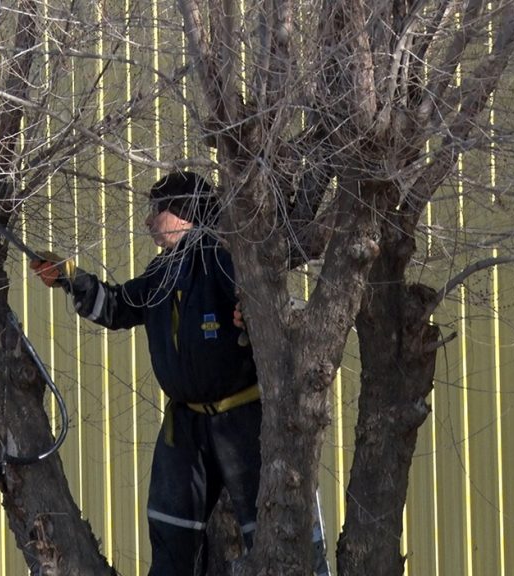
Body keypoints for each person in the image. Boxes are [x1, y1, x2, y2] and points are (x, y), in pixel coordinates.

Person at [31, 171, 328, 575]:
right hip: (185, 425)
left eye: (158, 210)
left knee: (278, 530)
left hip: (244, 422)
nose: (148, 221)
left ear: (186, 213)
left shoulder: (223, 258)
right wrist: (70, 278)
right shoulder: (162, 271)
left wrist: (252, 319)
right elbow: (118, 307)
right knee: (172, 530)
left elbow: (270, 310)